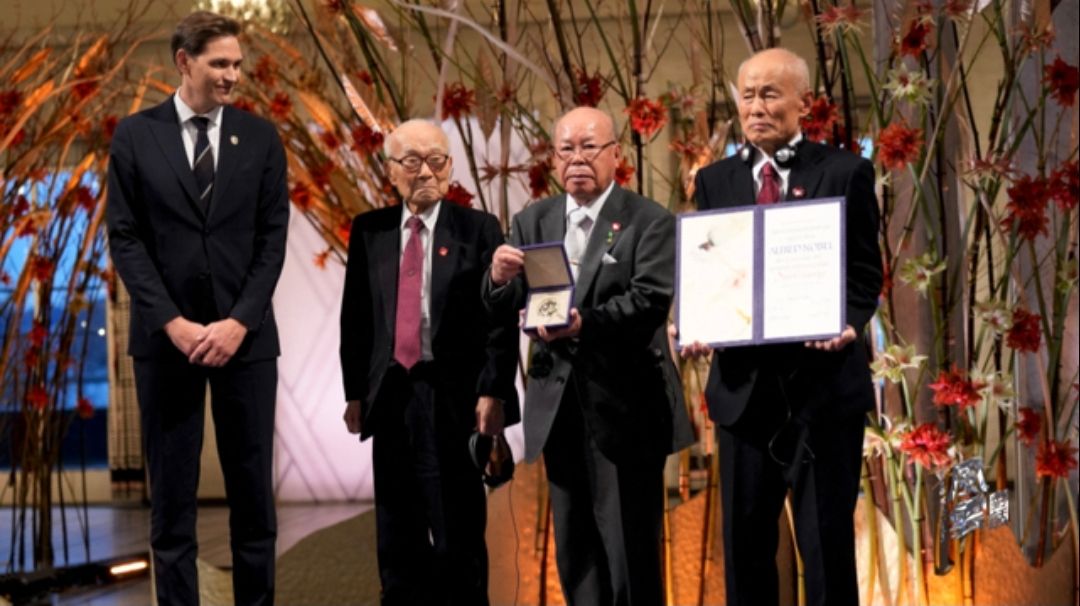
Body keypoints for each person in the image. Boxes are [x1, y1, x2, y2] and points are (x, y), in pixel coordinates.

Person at [681, 48, 883, 606]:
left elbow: (866, 273)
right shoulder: (714, 180)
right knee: (745, 554)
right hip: (742, 398)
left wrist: (848, 322)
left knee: (826, 552)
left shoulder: (844, 171)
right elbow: (712, 268)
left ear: (804, 103)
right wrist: (696, 319)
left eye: (770, 94)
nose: (756, 107)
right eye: (747, 95)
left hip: (823, 394)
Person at [105, 11, 287, 606]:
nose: (233, 75)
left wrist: (239, 322)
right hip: (166, 344)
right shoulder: (135, 136)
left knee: (254, 501)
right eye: (220, 64)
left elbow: (272, 240)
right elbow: (125, 238)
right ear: (184, 62)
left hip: (246, 342)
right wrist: (173, 323)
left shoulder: (260, 138)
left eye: (237, 64)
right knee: (172, 505)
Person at [484, 106, 693, 606]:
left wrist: (583, 323)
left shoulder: (649, 220)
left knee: (630, 555)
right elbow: (505, 306)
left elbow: (648, 301)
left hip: (626, 410)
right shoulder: (532, 220)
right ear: (554, 159)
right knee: (576, 554)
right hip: (557, 410)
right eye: (566, 149)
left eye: (589, 147)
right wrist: (496, 278)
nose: (577, 158)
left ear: (615, 154)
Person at [339, 119, 519, 606]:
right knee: (397, 538)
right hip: (390, 396)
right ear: (391, 170)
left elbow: (499, 320)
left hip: (454, 397)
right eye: (413, 161)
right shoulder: (370, 230)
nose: (425, 172)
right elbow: (356, 317)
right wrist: (354, 392)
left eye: (436, 160)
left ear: (450, 167)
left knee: (458, 535)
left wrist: (494, 391)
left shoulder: (478, 229)